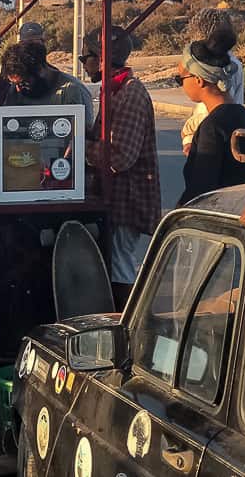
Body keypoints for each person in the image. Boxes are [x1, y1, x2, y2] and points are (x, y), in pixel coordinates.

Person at [81, 26, 161, 309]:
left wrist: (81, 148)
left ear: (102, 59)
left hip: (129, 199)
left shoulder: (130, 94)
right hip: (117, 197)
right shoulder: (114, 90)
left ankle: (126, 324)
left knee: (120, 266)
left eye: (86, 57)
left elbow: (120, 157)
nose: (84, 63)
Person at [176, 33, 245, 207]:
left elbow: (201, 190)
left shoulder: (212, 127)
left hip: (220, 217)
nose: (181, 85)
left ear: (198, 80)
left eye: (180, 79)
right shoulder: (244, 116)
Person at [180, 9, 244, 154]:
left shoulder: (217, 66)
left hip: (215, 139)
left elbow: (213, 105)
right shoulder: (232, 62)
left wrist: (190, 129)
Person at [1, 39, 95, 127]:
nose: (18, 89)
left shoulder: (72, 91)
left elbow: (82, 137)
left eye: (23, 83)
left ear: (41, 70)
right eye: (14, 84)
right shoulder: (16, 92)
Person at [0, 22, 45, 104]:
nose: (31, 48)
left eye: (35, 43)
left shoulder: (50, 71)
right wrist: (15, 84)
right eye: (27, 43)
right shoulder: (10, 68)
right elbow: (0, 97)